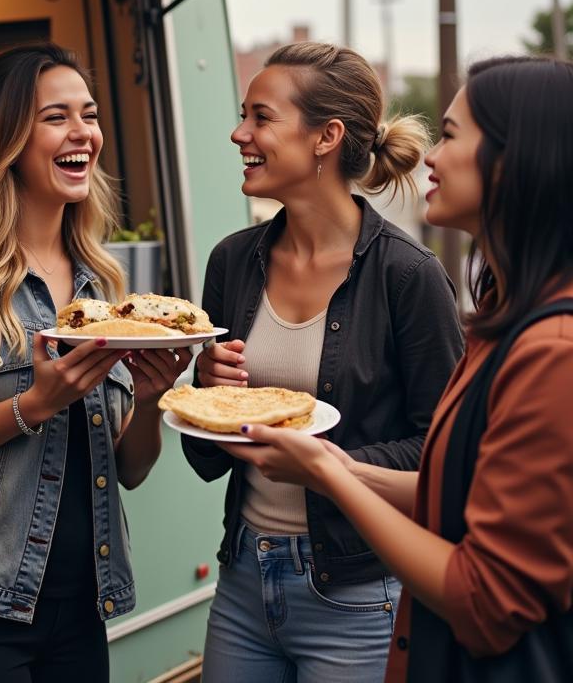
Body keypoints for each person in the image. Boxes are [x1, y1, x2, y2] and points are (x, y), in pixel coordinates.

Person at [225, 56, 573, 682]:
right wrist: (335, 466)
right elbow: (459, 493)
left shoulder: (549, 347)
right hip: (246, 574)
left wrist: (335, 481)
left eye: (453, 135)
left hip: (363, 599)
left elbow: (487, 597)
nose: (429, 156)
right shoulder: (504, 323)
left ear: (519, 159)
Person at [0, 43, 185, 683]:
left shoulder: (100, 282)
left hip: (83, 606)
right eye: (56, 117)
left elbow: (131, 471)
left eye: (90, 114)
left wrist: (154, 398)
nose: (83, 133)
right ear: (8, 137)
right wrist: (35, 405)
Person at [183, 41, 465, 683]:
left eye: (260, 117)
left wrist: (323, 464)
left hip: (361, 593)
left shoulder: (408, 276)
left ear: (326, 137)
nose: (239, 133)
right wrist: (202, 391)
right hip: (243, 582)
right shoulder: (232, 261)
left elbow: (442, 456)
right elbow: (203, 458)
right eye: (241, 115)